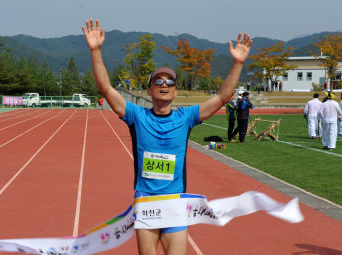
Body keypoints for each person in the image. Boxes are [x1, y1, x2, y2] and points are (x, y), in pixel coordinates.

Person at [82, 18, 252, 255]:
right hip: (147, 202)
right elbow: (106, 89)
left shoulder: (187, 117)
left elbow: (223, 97)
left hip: (174, 202)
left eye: (169, 81)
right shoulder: (136, 116)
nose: (164, 84)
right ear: (150, 90)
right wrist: (96, 50)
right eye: (158, 81)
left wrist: (238, 63)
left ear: (175, 89)